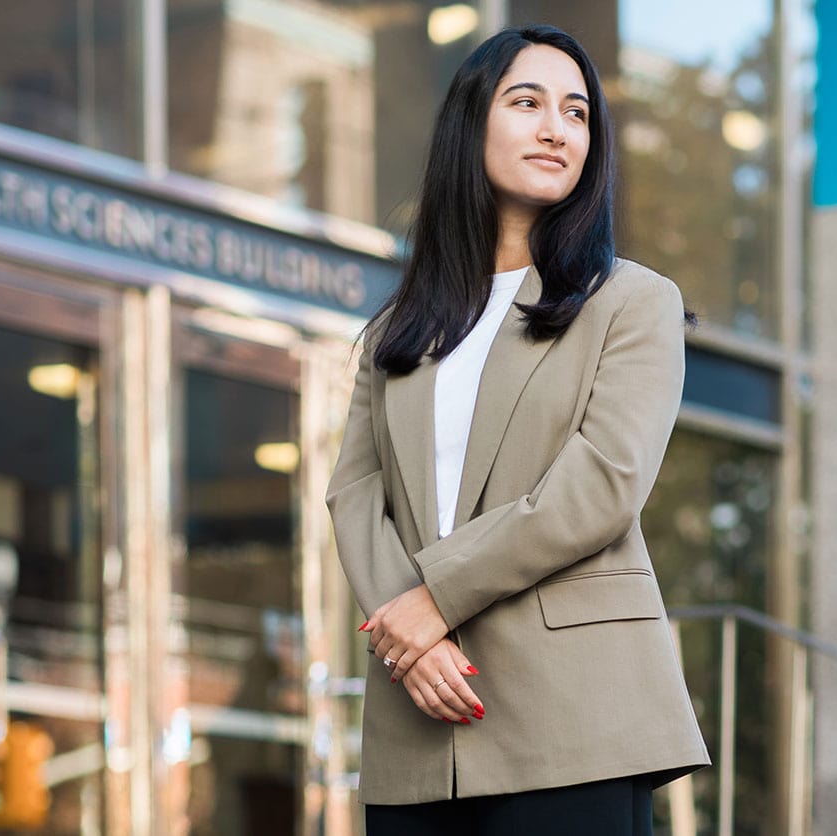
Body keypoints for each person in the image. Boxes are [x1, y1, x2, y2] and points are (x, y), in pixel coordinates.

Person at [325, 23, 709, 835]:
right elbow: (355, 492)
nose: (555, 128)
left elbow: (602, 483)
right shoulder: (403, 323)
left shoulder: (633, 303)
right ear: (473, 124)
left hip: (577, 718)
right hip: (419, 722)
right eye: (527, 102)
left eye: (577, 114)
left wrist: (433, 598)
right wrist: (411, 637)